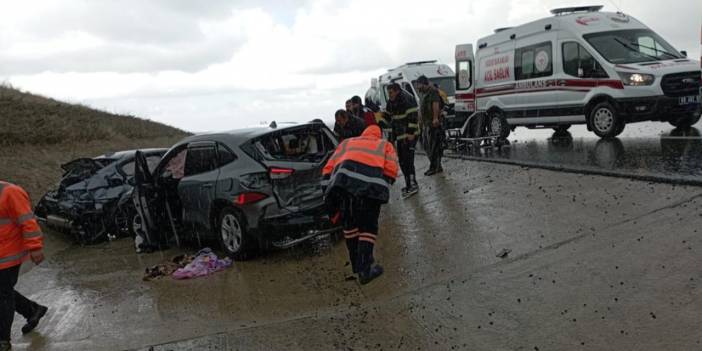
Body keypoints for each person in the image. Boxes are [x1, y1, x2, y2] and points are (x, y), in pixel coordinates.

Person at [322, 125, 398, 284]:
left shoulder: (346, 143)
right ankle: (366, 270)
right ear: (379, 135)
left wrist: (328, 192)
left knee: (350, 227)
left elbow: (328, 169)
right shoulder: (384, 145)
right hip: (369, 190)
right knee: (368, 228)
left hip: (343, 187)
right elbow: (391, 171)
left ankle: (357, 266)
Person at [0, 181, 49, 351]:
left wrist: (35, 247)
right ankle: (32, 310)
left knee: (2, 294)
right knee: (3, 290)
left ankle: (3, 340)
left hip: (8, 255)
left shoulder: (11, 192)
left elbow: (28, 222)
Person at [385, 83, 419, 196]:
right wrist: (391, 139)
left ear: (397, 91)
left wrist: (410, 133)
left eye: (390, 93)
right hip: (400, 135)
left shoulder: (407, 99)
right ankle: (409, 184)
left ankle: (413, 184)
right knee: (402, 161)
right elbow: (391, 119)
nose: (389, 95)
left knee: (408, 160)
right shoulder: (391, 102)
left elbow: (413, 116)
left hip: (409, 134)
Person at [417, 76, 445, 176]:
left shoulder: (432, 91)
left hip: (432, 123)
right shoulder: (423, 93)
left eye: (418, 84)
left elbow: (435, 104)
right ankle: (436, 166)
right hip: (426, 124)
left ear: (423, 83)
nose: (417, 87)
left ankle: (434, 167)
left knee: (434, 146)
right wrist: (420, 121)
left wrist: (435, 118)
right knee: (427, 145)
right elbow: (421, 108)